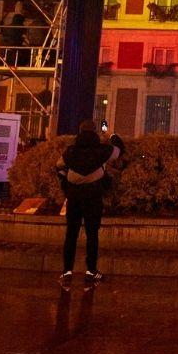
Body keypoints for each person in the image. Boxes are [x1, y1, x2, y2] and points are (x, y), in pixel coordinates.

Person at [56, 121, 120, 288]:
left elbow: (59, 167)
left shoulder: (71, 151)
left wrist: (66, 182)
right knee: (92, 234)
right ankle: (91, 271)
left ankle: (67, 271)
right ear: (95, 132)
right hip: (93, 197)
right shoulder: (102, 150)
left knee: (71, 233)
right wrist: (112, 137)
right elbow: (118, 152)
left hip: (74, 196)